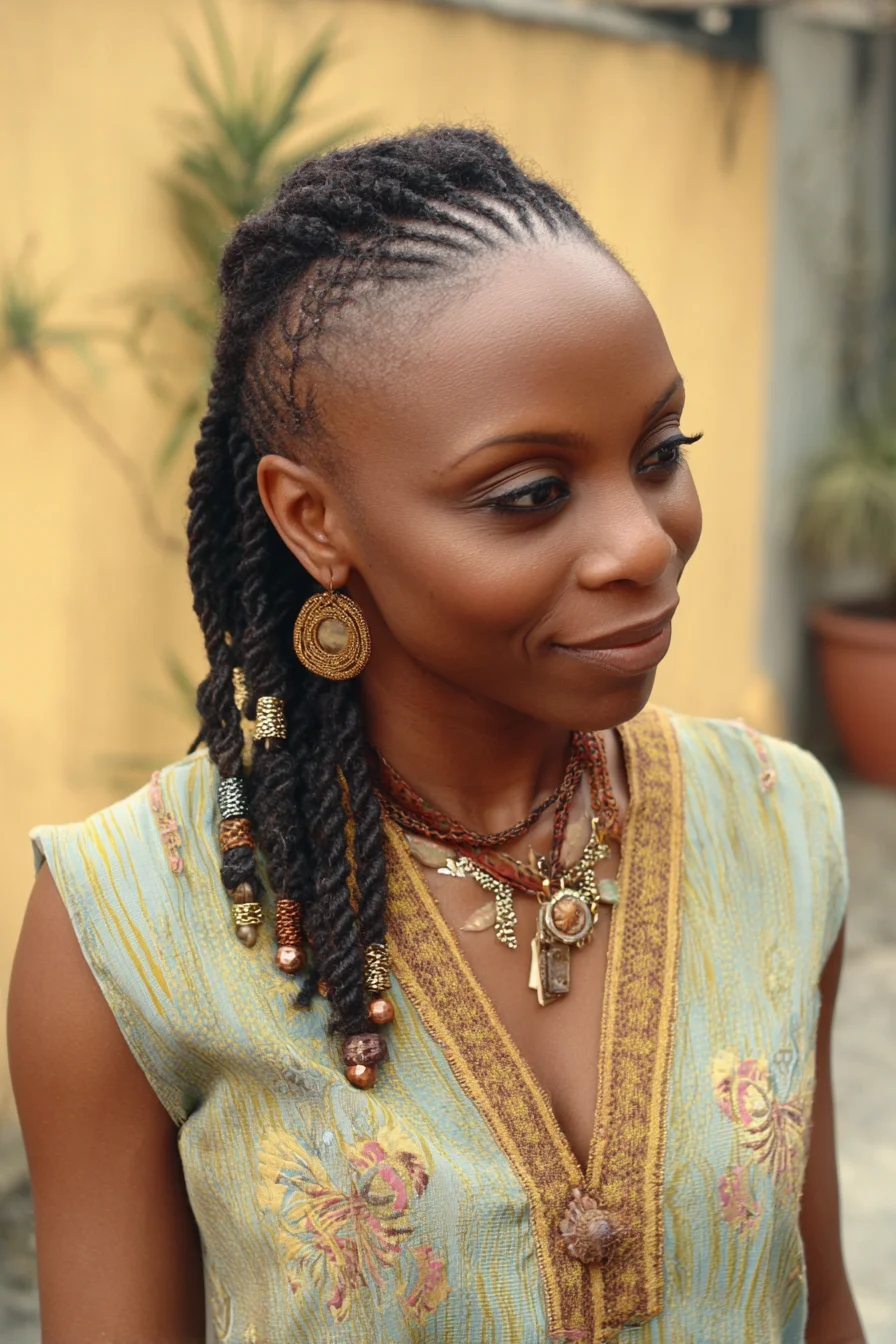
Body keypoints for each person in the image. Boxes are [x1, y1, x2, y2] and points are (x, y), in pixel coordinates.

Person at [9, 128, 864, 1344]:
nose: (642, 543)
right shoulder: (130, 927)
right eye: (528, 496)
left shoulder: (778, 825)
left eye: (659, 454)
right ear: (312, 518)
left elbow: (814, 1305)